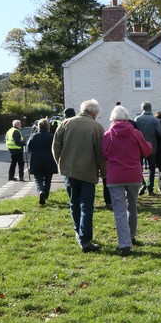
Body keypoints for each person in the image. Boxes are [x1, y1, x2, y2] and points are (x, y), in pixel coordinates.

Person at [52, 99, 107, 253]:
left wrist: (61, 164)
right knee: (86, 206)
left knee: (73, 203)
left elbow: (56, 146)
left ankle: (78, 231)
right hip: (88, 172)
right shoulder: (97, 127)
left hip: (69, 171)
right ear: (94, 112)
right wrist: (104, 172)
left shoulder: (66, 123)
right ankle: (85, 239)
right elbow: (100, 153)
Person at [101, 105, 152, 257]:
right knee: (133, 206)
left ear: (113, 118)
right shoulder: (135, 133)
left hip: (115, 175)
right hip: (133, 175)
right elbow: (147, 151)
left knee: (119, 211)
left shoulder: (108, 135)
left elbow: (104, 154)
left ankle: (124, 244)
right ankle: (132, 236)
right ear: (127, 117)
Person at [134, 102, 161, 196]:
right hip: (152, 147)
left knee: (138, 167)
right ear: (151, 108)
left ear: (142, 108)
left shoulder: (137, 119)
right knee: (151, 169)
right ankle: (150, 189)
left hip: (139, 147)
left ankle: (142, 184)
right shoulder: (155, 120)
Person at [26, 117, 57, 205]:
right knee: (48, 180)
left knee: (38, 179)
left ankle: (40, 191)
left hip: (36, 161)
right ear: (48, 126)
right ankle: (46, 196)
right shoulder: (52, 136)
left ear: (38, 126)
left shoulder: (33, 136)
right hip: (49, 161)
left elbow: (29, 149)